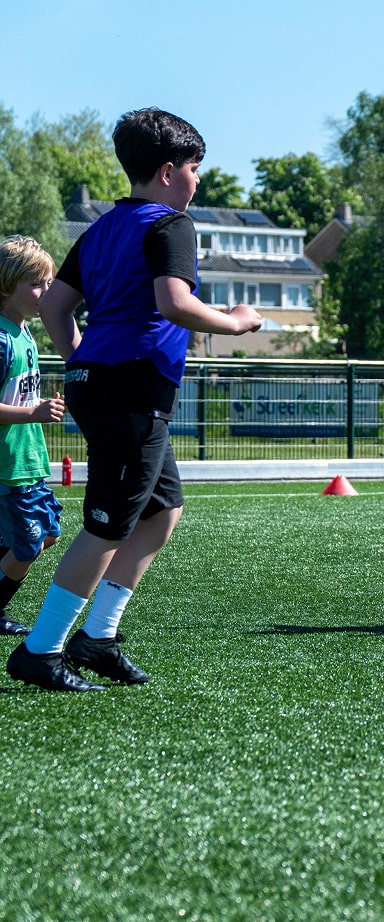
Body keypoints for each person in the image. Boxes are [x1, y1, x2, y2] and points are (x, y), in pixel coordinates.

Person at [6, 108, 264, 692]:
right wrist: (235, 321)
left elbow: (54, 307)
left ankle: (97, 638)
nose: (198, 180)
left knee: (161, 510)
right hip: (131, 389)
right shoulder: (172, 224)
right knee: (108, 526)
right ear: (170, 171)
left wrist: (85, 363)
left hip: (107, 384)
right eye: (196, 168)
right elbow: (173, 302)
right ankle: (40, 651)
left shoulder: (99, 228)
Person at [0, 236, 67, 636]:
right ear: (7, 284)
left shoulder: (24, 334)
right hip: (8, 466)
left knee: (49, 535)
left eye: (49, 283)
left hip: (29, 462)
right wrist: (34, 412)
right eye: (37, 283)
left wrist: (43, 406)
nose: (46, 292)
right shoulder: (3, 339)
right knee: (25, 546)